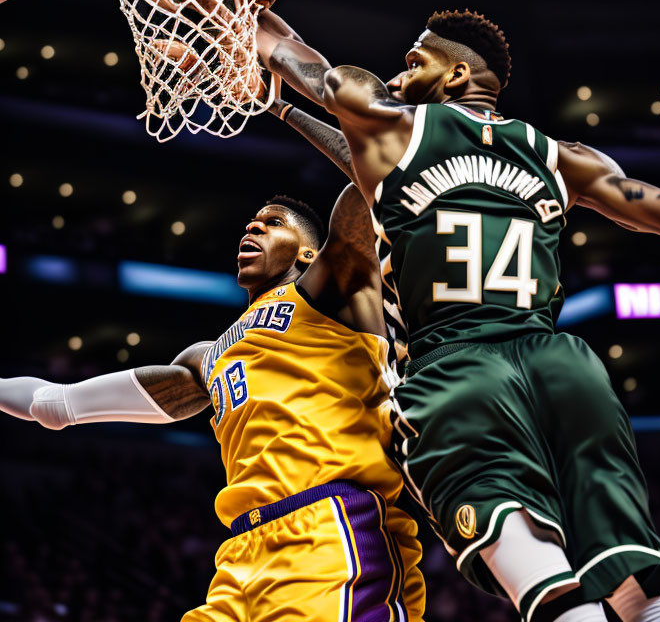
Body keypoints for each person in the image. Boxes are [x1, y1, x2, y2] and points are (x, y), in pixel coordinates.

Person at [253, 7, 660, 622]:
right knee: (644, 595)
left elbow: (293, 53)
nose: (397, 76)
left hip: (460, 374)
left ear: (454, 76)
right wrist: (282, 105)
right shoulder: (565, 158)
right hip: (564, 371)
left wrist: (230, 12)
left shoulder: (390, 127)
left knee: (551, 591)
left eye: (414, 62)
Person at [0, 181, 426, 622]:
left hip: (331, 531)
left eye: (273, 223)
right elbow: (55, 404)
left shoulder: (333, 292)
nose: (254, 227)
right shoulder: (207, 357)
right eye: (251, 223)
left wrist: (289, 110)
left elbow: (371, 170)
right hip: (240, 555)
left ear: (307, 253)